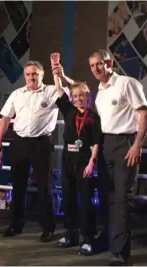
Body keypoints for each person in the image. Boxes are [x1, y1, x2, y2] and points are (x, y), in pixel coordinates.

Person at [89, 49, 147, 265]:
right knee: (109, 198)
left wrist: (137, 145)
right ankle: (110, 242)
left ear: (109, 63)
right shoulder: (100, 90)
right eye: (92, 65)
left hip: (126, 143)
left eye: (99, 64)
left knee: (123, 199)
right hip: (106, 145)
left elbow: (144, 114)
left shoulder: (126, 83)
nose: (95, 68)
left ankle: (121, 253)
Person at [0, 60, 61, 242]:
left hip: (42, 143)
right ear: (25, 76)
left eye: (35, 74)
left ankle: (48, 227)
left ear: (42, 75)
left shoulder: (52, 91)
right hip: (20, 142)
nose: (32, 77)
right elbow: (5, 118)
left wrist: (58, 72)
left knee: (44, 187)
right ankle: (16, 224)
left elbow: (70, 94)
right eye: (29, 74)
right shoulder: (17, 94)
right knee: (18, 185)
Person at [51, 57, 102, 255]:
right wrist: (56, 71)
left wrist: (92, 163)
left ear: (87, 97)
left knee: (86, 201)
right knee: (68, 197)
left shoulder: (93, 117)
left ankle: (88, 238)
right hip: (67, 160)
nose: (79, 98)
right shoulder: (69, 110)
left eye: (82, 95)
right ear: (72, 97)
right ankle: (71, 234)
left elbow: (97, 141)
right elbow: (58, 90)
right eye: (76, 95)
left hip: (84, 161)